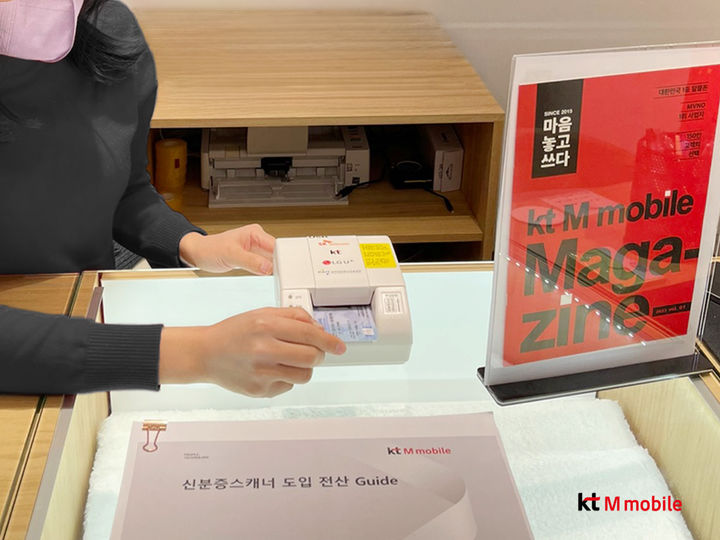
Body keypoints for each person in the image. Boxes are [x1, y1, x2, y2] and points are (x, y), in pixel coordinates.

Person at [0, 0, 346, 396]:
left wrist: (190, 244)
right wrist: (198, 353)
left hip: (91, 314)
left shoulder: (107, 29)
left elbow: (125, 189)